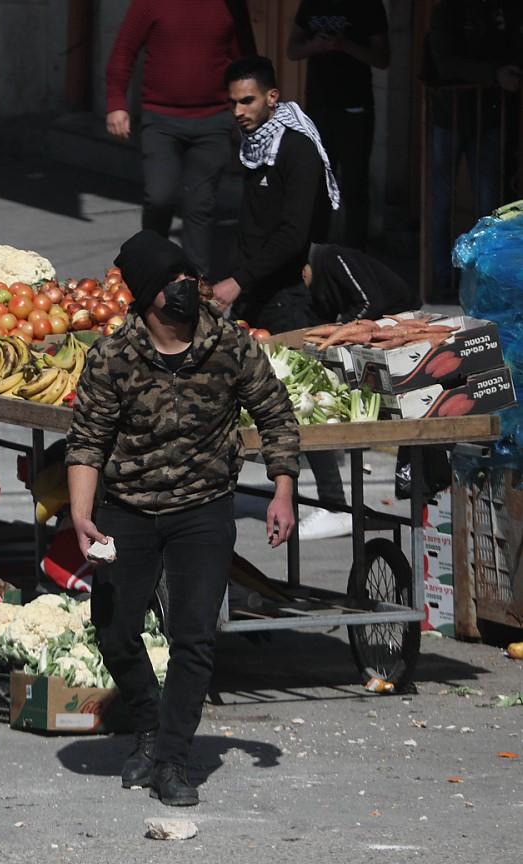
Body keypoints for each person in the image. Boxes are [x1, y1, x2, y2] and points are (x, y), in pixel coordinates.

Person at [67, 229, 300, 807]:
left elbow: (275, 413)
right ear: (147, 295)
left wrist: (282, 490)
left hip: (203, 509)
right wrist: (79, 513)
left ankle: (172, 759)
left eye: (187, 277)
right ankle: (148, 723)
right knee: (116, 631)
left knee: (193, 635)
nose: (184, 288)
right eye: (171, 282)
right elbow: (87, 440)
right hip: (129, 511)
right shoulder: (114, 355)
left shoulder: (228, 343)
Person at [211, 56, 349, 541]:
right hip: (253, 290)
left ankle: (335, 503)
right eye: (232, 102)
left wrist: (237, 281)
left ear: (272, 97)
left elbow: (292, 235)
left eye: (246, 100)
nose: (238, 111)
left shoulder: (296, 149)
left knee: (299, 400)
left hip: (288, 292)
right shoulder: (254, 147)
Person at [105, 0, 255, 277]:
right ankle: (150, 271)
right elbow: (123, 52)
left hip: (213, 120)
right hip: (161, 120)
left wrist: (247, 112)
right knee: (159, 197)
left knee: (200, 206)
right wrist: (116, 103)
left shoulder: (230, 5)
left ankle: (197, 286)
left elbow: (244, 62)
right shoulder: (148, 3)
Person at [423, 0, 523, 302]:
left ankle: (484, 279)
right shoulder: (447, 10)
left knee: (489, 205)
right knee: (441, 201)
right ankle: (442, 278)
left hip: (490, 118)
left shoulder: (500, 11)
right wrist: (493, 74)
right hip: (449, 115)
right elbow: (445, 63)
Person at [288, 0, 390, 250]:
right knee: (318, 185)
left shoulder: (370, 6)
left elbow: (382, 58)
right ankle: (314, 254)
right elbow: (292, 50)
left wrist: (344, 45)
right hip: (319, 107)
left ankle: (355, 256)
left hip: (355, 108)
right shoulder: (312, 5)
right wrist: (316, 45)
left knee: (355, 186)